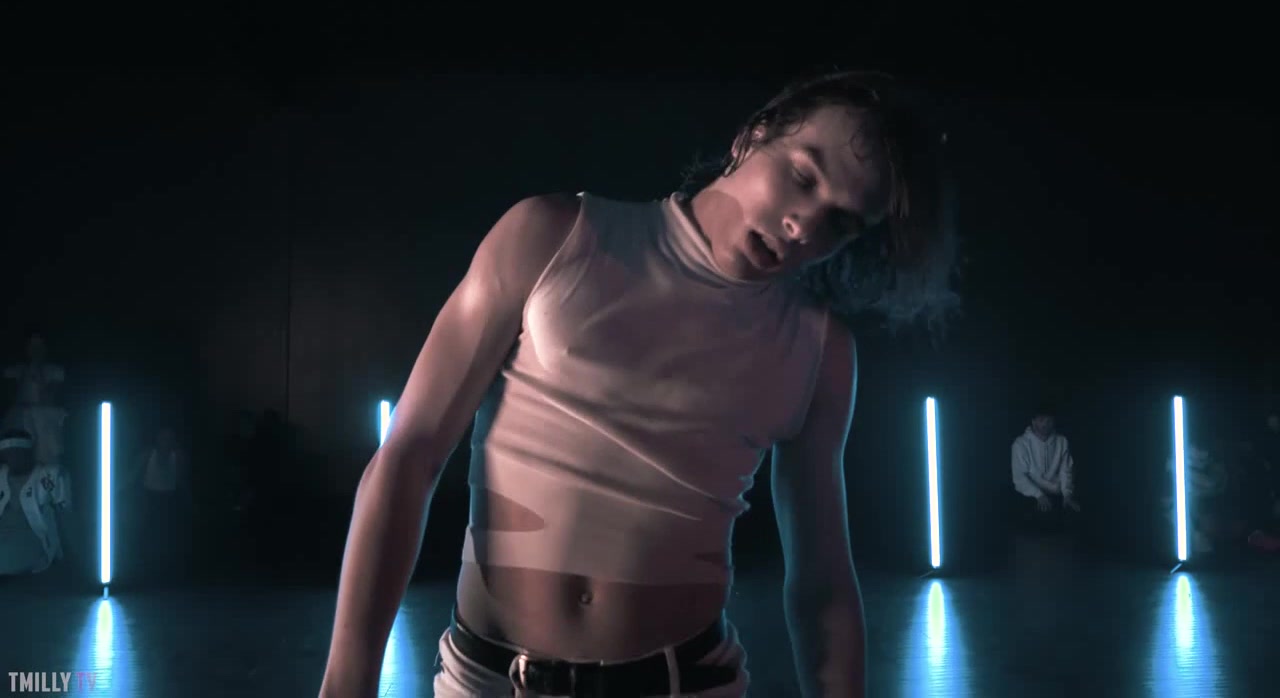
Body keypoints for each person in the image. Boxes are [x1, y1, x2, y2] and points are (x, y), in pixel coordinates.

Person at [320, 71, 956, 698]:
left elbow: (822, 581)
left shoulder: (819, 351)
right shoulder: (551, 236)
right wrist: (346, 683)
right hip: (490, 680)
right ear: (754, 135)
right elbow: (408, 456)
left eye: (840, 222)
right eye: (803, 177)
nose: (804, 226)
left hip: (689, 683)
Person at [0, 429, 69, 576]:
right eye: (8, 454)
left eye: (17, 453)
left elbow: (65, 514)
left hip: (33, 539)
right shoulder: (1, 476)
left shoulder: (48, 476)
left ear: (27, 453)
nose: (13, 459)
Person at [1010, 408, 1080, 532]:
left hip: (1057, 493)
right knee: (1036, 523)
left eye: (1049, 420)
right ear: (1033, 421)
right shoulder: (1020, 444)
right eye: (1041, 420)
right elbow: (1019, 477)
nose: (1045, 424)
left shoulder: (1062, 441)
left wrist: (1067, 495)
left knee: (1073, 517)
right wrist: (1039, 495)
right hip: (1030, 494)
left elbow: (1066, 471)